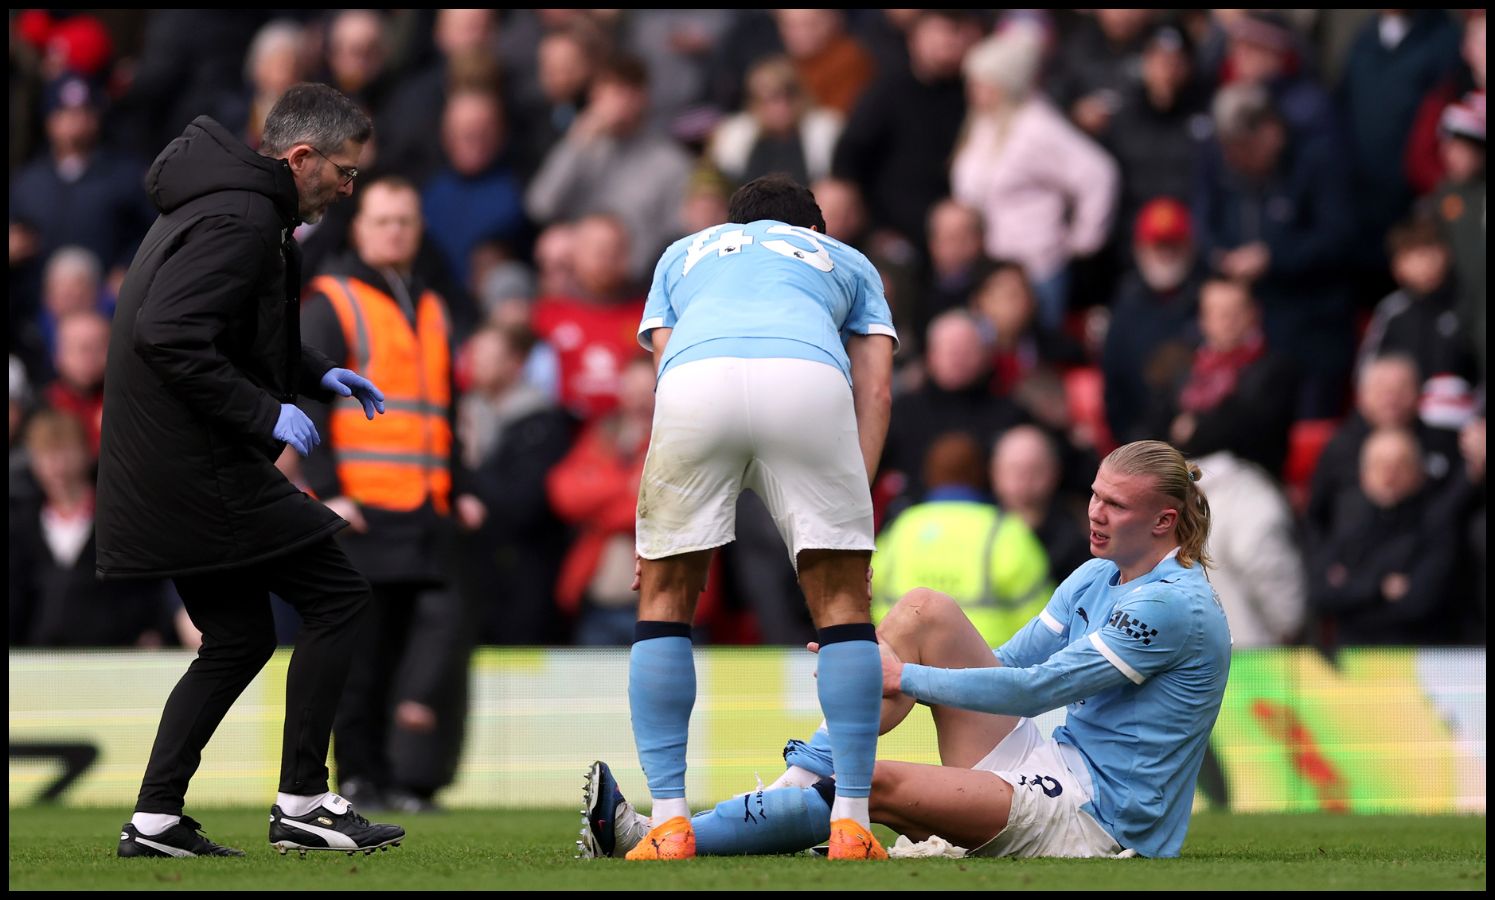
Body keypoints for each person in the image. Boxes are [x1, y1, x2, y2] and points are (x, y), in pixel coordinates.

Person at [582, 440, 1229, 860]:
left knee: (874, 784)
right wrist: (887, 667)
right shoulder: (1097, 572)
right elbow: (1009, 665)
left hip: (1098, 822)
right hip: (1051, 759)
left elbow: (1037, 691)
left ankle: (662, 840)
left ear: (1162, 521)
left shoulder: (1170, 604)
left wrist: (902, 676)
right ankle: (797, 785)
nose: (1093, 511)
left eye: (1113, 504)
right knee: (923, 608)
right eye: (1092, 493)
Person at [96, 84, 403, 858]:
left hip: (161, 466)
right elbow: (168, 335)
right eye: (344, 171)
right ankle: (303, 801)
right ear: (301, 159)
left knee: (236, 638)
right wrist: (262, 413)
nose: (348, 186)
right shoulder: (242, 219)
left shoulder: (217, 205)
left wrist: (315, 373)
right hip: (197, 468)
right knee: (338, 596)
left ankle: (156, 820)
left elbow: (221, 333)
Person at [626, 174, 897, 860]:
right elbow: (876, 385)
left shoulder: (682, 253)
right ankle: (852, 824)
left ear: (730, 225)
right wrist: (849, 519)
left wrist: (653, 533)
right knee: (839, 605)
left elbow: (667, 371)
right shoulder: (846, 260)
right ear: (815, 229)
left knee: (664, 603)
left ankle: (667, 823)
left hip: (694, 384)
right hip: (806, 380)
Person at [299, 175, 484, 814]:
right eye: (383, 220)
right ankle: (355, 777)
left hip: (422, 507)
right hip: (362, 510)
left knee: (408, 657)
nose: (396, 231)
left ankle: (397, 779)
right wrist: (329, 491)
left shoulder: (430, 304)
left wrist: (459, 488)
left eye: (406, 220)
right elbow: (309, 399)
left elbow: (442, 408)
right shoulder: (332, 299)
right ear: (358, 228)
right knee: (361, 657)